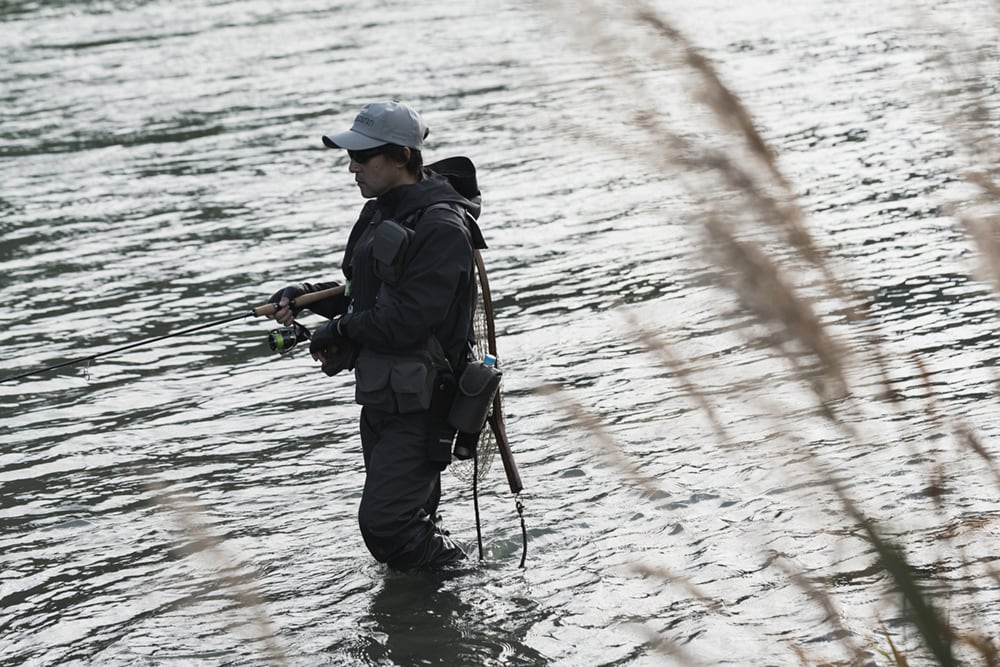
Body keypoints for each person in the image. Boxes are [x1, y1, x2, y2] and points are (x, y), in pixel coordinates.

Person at [267, 100, 485, 570]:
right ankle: (441, 598)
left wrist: (337, 328)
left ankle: (463, 588)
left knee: (387, 524)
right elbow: (361, 293)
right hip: (383, 394)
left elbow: (408, 320)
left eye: (363, 157)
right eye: (352, 156)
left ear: (403, 157)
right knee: (409, 518)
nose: (352, 167)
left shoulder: (442, 227)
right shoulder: (380, 211)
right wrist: (305, 295)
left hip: (425, 402)